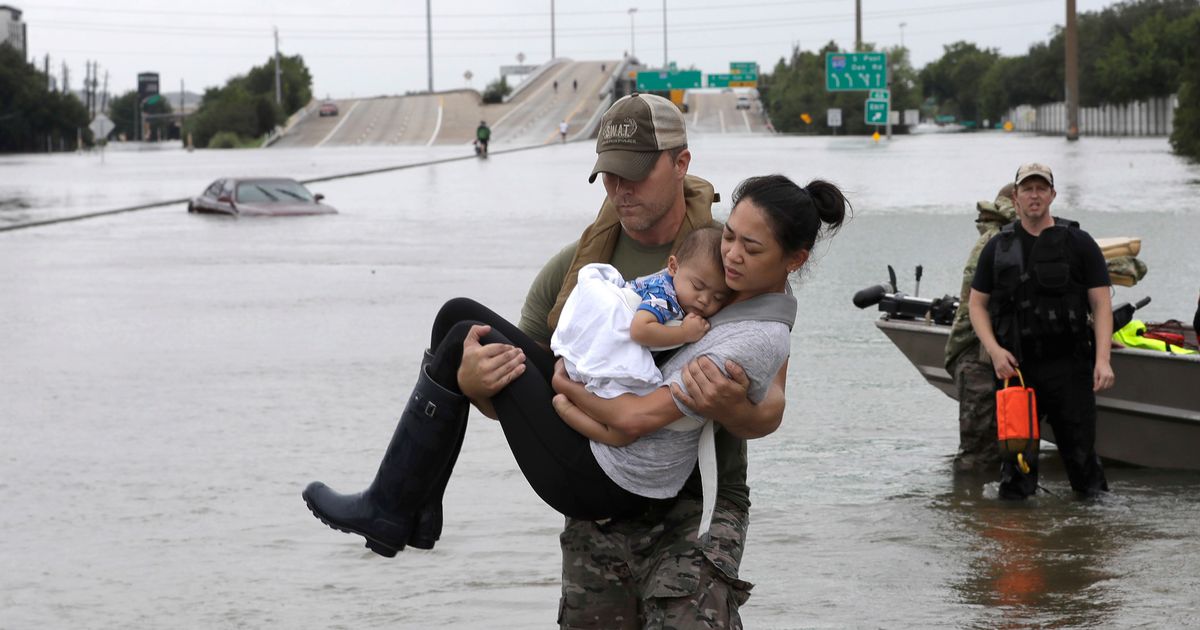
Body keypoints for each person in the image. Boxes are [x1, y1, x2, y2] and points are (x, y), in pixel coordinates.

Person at [968, 163, 1114, 500]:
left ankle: (1091, 542)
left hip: (1070, 367)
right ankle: (1018, 543)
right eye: (1027, 189)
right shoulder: (997, 247)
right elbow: (977, 306)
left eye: (1041, 188)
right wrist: (993, 351)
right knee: (1016, 469)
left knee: (1084, 467)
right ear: (1016, 197)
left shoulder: (1079, 243)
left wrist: (1102, 360)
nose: (1035, 195)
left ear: (1052, 195)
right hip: (1016, 371)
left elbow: (1101, 305)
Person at [551, 227, 729, 402]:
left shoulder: (677, 289)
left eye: (717, 297)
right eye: (697, 286)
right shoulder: (664, 295)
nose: (705, 300)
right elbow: (640, 330)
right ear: (673, 267)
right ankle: (566, 410)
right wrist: (685, 333)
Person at [943, 183, 1015, 474]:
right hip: (978, 356)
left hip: (995, 354)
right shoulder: (995, 242)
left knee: (1005, 443)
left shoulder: (1002, 239)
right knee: (979, 452)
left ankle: (982, 512)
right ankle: (970, 509)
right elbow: (973, 305)